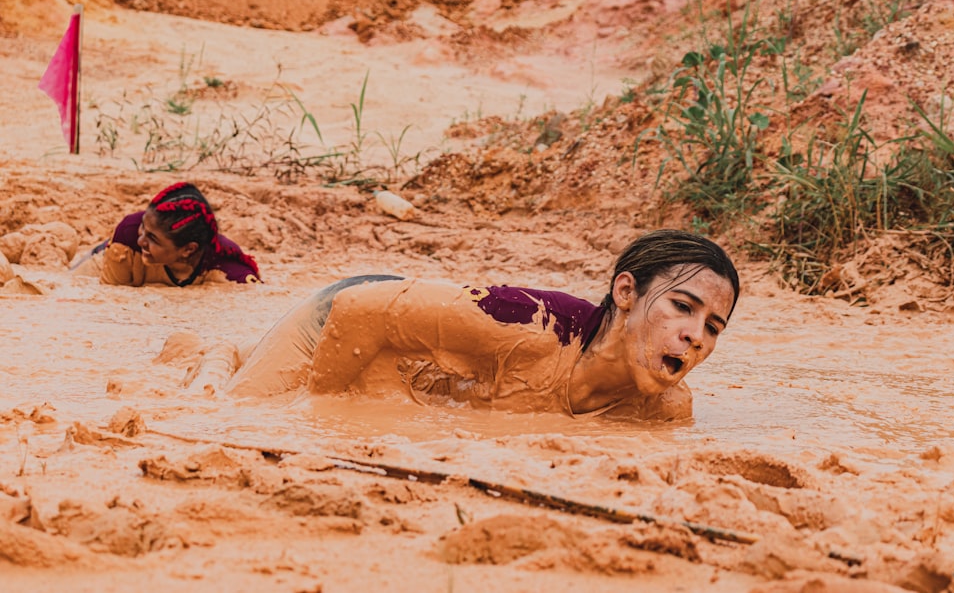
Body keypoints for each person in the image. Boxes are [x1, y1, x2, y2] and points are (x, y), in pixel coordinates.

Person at [225, 229, 738, 420]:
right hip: (348, 313)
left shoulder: (663, 408)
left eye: (714, 326)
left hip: (409, 349)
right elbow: (362, 310)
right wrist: (320, 410)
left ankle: (251, 352)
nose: (695, 336)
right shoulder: (531, 327)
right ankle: (218, 355)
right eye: (682, 307)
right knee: (239, 408)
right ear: (626, 292)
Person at [76, 182, 261, 286]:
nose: (141, 240)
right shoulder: (129, 236)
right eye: (144, 228)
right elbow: (109, 299)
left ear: (188, 250)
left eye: (152, 239)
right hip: (106, 259)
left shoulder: (230, 270)